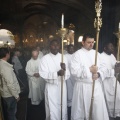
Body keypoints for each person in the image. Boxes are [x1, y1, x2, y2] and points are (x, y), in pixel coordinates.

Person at [70, 33, 111, 120]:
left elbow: (104, 67)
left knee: (97, 111)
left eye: (93, 42)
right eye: (89, 42)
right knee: (81, 110)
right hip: (82, 87)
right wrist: (89, 70)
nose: (91, 44)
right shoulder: (77, 55)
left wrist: (99, 74)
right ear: (83, 42)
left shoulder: (96, 53)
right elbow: (74, 71)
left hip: (95, 86)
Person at [39, 39, 70, 120]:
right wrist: (57, 74)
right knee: (52, 108)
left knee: (62, 106)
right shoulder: (45, 59)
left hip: (62, 86)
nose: (56, 47)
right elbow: (43, 74)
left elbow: (68, 74)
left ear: (60, 46)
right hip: (51, 87)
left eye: (57, 45)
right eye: (53, 45)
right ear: (50, 46)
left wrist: (65, 70)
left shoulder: (63, 57)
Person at [101, 42, 120, 120]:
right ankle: (109, 115)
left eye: (113, 46)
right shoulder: (100, 56)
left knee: (118, 96)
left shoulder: (112, 56)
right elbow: (102, 71)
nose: (113, 48)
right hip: (105, 82)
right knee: (107, 100)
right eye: (111, 46)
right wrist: (114, 70)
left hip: (113, 80)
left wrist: (117, 65)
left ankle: (116, 113)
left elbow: (114, 65)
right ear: (105, 48)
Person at [0, 48, 20, 120]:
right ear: (7, 54)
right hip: (10, 95)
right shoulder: (6, 68)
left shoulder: (1, 64)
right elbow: (10, 84)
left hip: (4, 93)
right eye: (9, 53)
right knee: (12, 114)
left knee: (8, 113)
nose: (10, 54)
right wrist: (16, 96)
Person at [65, 44, 75, 120]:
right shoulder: (65, 56)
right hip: (68, 76)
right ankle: (69, 104)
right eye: (70, 48)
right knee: (69, 90)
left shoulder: (76, 55)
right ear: (67, 49)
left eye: (72, 48)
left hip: (75, 76)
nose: (71, 50)